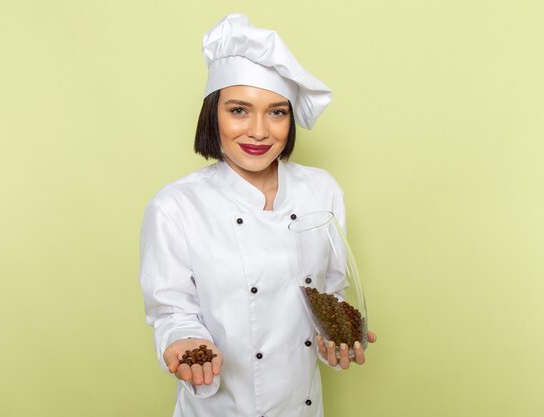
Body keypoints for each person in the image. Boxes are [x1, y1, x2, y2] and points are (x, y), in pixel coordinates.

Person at [139, 13, 376, 417]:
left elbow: (330, 292)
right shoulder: (176, 205)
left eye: (277, 112)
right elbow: (173, 311)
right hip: (219, 409)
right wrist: (183, 343)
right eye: (239, 110)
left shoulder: (322, 190)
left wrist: (333, 341)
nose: (260, 131)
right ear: (213, 114)